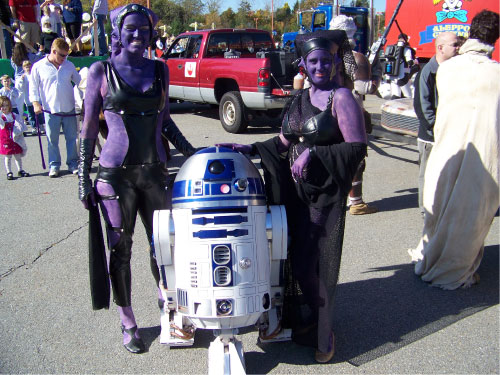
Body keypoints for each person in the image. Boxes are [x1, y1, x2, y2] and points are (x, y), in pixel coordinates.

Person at [219, 29, 366, 363]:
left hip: (324, 193)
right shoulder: (299, 99)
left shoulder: (341, 98)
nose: (319, 67)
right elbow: (283, 143)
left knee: (310, 263)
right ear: (303, 64)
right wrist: (248, 149)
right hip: (295, 190)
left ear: (333, 63)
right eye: (312, 61)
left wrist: (314, 154)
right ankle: (307, 320)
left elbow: (357, 148)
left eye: (325, 61)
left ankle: (325, 328)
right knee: (296, 259)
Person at [78, 3, 197, 354]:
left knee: (164, 246)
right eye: (130, 29)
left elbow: (166, 122)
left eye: (143, 30)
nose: (137, 35)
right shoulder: (100, 71)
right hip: (115, 179)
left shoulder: (160, 70)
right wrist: (82, 177)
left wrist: (193, 152)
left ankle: (168, 304)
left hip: (156, 174)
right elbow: (87, 127)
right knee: (121, 249)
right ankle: (128, 322)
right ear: (117, 32)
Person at [409, 10, 499, 290]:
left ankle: (432, 255)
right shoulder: (497, 72)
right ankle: (457, 264)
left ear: (471, 32)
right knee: (471, 210)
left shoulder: (448, 69)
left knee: (442, 202)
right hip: (484, 149)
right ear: (495, 39)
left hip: (446, 146)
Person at [330, 14, 378, 215]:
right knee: (356, 158)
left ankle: (334, 199)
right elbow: (364, 88)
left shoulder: (324, 54)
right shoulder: (354, 57)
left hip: (327, 112)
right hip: (351, 112)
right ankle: (356, 202)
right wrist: (377, 76)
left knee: (332, 156)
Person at [413, 31, 459, 215]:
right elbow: (423, 109)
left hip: (451, 136)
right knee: (428, 176)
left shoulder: (456, 71)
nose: (458, 48)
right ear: (440, 48)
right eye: (454, 45)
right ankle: (427, 213)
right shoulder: (427, 73)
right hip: (431, 138)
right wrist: (437, 130)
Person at [29, 37, 81, 177]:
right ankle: (54, 165)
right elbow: (33, 87)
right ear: (53, 51)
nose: (65, 58)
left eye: (66, 55)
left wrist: (86, 98)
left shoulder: (69, 65)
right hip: (50, 110)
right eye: (62, 55)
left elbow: (80, 83)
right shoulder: (38, 67)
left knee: (71, 138)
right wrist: (35, 103)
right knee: (52, 140)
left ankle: (73, 164)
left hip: (69, 107)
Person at [0, 96, 29, 179]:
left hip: (15, 139)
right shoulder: (2, 117)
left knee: (17, 155)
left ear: (10, 106)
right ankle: (9, 172)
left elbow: (20, 123)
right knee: (8, 156)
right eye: (2, 106)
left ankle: (20, 170)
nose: (4, 108)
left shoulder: (14, 115)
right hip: (6, 140)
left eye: (6, 105)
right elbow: (1, 123)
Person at [15, 60, 44, 135]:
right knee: (31, 114)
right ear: (23, 68)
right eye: (26, 66)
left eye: (28, 66)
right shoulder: (22, 77)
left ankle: (41, 125)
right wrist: (21, 80)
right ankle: (34, 127)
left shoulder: (34, 75)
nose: (27, 68)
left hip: (37, 99)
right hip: (28, 99)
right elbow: (19, 88)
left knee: (40, 113)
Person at [385, 33, 419, 98]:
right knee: (408, 95)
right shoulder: (406, 49)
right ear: (406, 39)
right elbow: (409, 61)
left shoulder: (393, 48)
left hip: (392, 76)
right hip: (403, 76)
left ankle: (394, 107)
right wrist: (414, 62)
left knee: (395, 95)